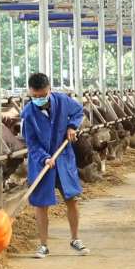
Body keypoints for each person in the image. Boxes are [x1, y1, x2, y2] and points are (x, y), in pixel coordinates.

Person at [20, 72, 90, 258]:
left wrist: (72, 126)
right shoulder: (28, 113)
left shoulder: (63, 101)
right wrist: (44, 158)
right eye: (34, 96)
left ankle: (75, 239)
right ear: (29, 92)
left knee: (72, 198)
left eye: (42, 96)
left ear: (49, 89)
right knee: (40, 204)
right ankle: (43, 245)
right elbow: (31, 143)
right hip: (41, 162)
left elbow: (78, 112)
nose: (39, 99)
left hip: (64, 157)